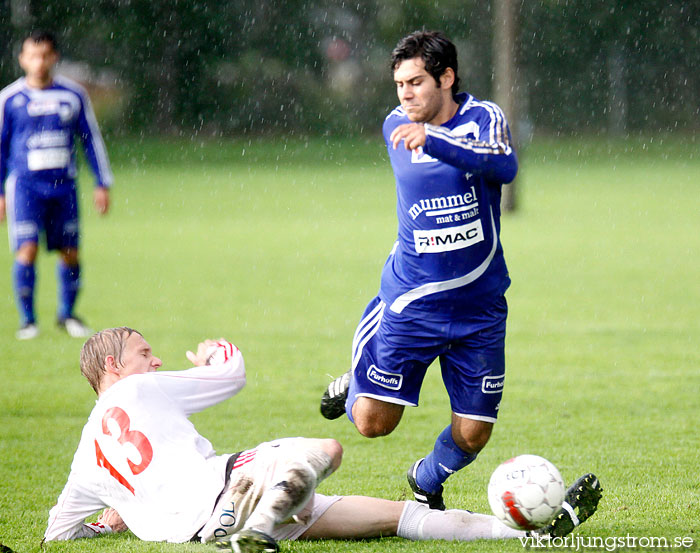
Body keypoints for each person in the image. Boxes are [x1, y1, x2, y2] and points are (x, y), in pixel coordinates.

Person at [44, 328, 601, 552]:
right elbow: (232, 373)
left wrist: (115, 515)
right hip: (228, 493)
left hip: (192, 527)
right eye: (146, 353)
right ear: (114, 366)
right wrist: (215, 353)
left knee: (394, 518)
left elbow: (58, 531)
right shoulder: (138, 392)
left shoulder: (85, 461)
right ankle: (256, 533)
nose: (156, 359)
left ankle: (533, 535)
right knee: (327, 449)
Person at [320, 30, 521, 510]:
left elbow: (504, 165)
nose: (405, 94)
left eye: (416, 82)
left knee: (473, 434)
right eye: (399, 84)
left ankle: (426, 478)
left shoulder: (483, 118)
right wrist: (428, 133)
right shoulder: (396, 125)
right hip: (413, 303)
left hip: (481, 308)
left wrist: (436, 139)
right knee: (372, 424)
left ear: (447, 77)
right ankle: (356, 379)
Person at [0, 30, 113, 340]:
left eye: (45, 55)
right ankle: (28, 321)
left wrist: (102, 182)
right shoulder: (9, 99)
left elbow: (91, 139)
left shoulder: (73, 95)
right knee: (27, 249)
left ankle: (67, 315)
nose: (39, 62)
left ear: (54, 57)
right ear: (23, 59)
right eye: (33, 55)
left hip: (64, 187)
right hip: (25, 187)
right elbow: (0, 147)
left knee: (70, 251)